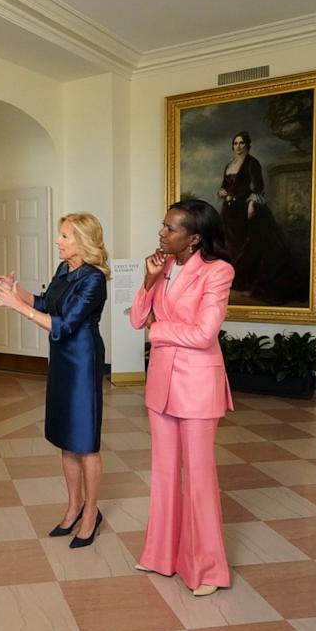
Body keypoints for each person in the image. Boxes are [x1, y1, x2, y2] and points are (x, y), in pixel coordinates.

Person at [129, 199, 233, 596]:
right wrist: (149, 280)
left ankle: (206, 569)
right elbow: (137, 319)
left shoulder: (219, 271)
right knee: (164, 474)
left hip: (198, 388)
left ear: (194, 238)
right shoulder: (163, 267)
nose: (161, 233)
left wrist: (159, 332)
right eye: (163, 225)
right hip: (161, 385)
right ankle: (161, 556)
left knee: (201, 479)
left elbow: (204, 334)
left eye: (170, 229)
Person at [0, 213, 109, 548]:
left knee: (85, 441)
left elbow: (65, 324)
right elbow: (46, 304)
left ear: (82, 241)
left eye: (65, 236)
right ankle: (73, 506)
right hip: (61, 361)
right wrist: (17, 292)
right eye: (60, 234)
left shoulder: (94, 279)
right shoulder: (63, 270)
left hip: (82, 360)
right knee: (65, 437)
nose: (58, 240)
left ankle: (91, 513)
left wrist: (17, 308)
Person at [217, 131, 304, 304]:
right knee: (232, 245)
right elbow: (223, 186)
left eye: (242, 143)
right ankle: (236, 283)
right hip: (230, 210)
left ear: (248, 145)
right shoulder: (229, 165)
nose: (238, 147)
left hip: (247, 209)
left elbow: (258, 187)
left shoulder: (252, 163)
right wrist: (221, 191)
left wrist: (251, 205)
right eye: (235, 143)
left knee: (249, 245)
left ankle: (249, 284)